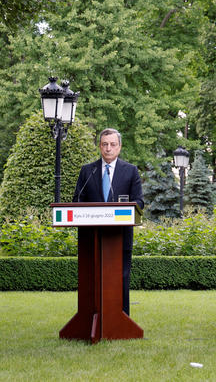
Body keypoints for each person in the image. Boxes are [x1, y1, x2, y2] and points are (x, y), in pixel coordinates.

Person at [73, 128, 144, 315]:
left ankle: (121, 317)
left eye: (113, 144)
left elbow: (139, 202)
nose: (108, 149)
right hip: (92, 237)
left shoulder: (130, 171)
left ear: (119, 147)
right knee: (92, 277)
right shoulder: (87, 171)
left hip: (120, 237)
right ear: (99, 146)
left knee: (120, 277)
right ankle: (91, 315)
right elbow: (77, 200)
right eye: (104, 144)